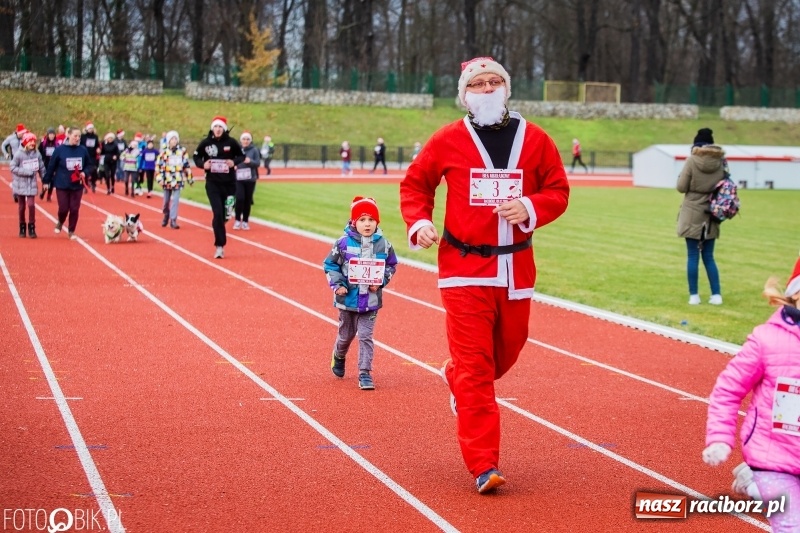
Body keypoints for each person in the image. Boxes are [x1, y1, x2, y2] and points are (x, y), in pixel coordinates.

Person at [399, 56, 570, 494]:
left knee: (505, 354)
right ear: (465, 93)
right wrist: (419, 222)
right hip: (463, 270)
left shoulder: (536, 139)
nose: (488, 87)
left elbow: (557, 190)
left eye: (495, 81)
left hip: (516, 268)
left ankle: (456, 378)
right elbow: (416, 184)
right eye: (478, 83)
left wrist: (531, 207)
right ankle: (483, 464)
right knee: (476, 369)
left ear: (506, 89)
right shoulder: (448, 139)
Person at [703, 254, 800, 532]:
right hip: (774, 459)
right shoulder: (767, 340)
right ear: (794, 295)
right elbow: (728, 390)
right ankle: (758, 480)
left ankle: (752, 483)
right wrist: (719, 438)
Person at [323, 197, 398, 390]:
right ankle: (339, 355)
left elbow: (391, 265)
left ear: (377, 223)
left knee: (365, 336)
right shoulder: (342, 243)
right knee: (346, 336)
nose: (367, 224)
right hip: (347, 299)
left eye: (371, 220)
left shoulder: (384, 245)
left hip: (371, 301)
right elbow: (330, 264)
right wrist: (338, 284)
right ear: (354, 222)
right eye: (363, 220)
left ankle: (365, 373)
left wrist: (380, 282)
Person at [677, 127, 724, 306]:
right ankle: (716, 295)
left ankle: (694, 296)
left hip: (692, 211)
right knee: (709, 256)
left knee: (692, 255)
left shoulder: (692, 161)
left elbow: (681, 187)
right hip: (712, 212)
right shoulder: (721, 162)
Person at [193, 116, 245, 259]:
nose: (217, 129)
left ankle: (221, 221)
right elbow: (196, 157)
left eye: (220, 127)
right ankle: (219, 246)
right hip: (212, 184)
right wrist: (203, 165)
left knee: (225, 215)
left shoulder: (231, 142)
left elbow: (241, 156)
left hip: (229, 184)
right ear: (212, 128)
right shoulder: (205, 143)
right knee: (217, 214)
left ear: (224, 129)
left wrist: (233, 162)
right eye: (215, 127)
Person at [43, 126, 95, 240]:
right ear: (69, 135)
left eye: (79, 136)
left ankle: (71, 231)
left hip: (77, 185)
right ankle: (60, 221)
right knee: (63, 208)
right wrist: (46, 181)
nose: (77, 138)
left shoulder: (83, 150)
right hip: (62, 184)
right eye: (75, 136)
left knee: (74, 209)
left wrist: (85, 173)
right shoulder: (59, 150)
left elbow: (90, 165)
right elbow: (51, 166)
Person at [11, 132, 45, 238]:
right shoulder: (19, 154)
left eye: (34, 141)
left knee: (31, 205)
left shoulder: (37, 153)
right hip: (20, 184)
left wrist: (45, 180)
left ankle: (32, 226)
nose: (32, 143)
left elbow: (42, 168)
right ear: (25, 142)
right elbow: (12, 167)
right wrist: (26, 172)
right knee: (21, 207)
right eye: (30, 141)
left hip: (32, 184)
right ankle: (22, 226)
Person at [156, 130, 192, 229]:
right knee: (166, 202)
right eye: (172, 139)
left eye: (176, 138)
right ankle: (166, 214)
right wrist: (160, 178)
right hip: (167, 179)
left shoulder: (182, 151)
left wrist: (190, 178)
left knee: (175, 201)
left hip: (178, 179)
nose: (174, 140)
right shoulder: (164, 152)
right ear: (168, 140)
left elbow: (186, 165)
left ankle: (173, 220)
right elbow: (159, 166)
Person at [233, 131, 260, 230]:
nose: (246, 141)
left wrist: (250, 161)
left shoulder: (254, 150)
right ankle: (236, 220)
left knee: (247, 201)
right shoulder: (236, 150)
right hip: (239, 178)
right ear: (241, 140)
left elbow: (257, 163)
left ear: (251, 141)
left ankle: (245, 221)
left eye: (248, 139)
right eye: (244, 139)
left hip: (250, 179)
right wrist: (234, 166)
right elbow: (232, 161)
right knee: (240, 198)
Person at [38, 128, 59, 201]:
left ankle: (49, 195)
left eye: (53, 134)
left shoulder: (57, 144)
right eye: (50, 134)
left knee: (52, 181)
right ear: (47, 135)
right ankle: (43, 192)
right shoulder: (43, 144)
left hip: (53, 165)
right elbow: (38, 153)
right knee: (45, 180)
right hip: (45, 164)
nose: (52, 136)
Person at [79, 122, 101, 192]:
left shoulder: (95, 136)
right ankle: (85, 185)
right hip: (85, 155)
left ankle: (93, 183)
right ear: (87, 129)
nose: (90, 130)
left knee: (94, 170)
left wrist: (98, 149)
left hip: (93, 156)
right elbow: (80, 144)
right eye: (89, 128)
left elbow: (97, 145)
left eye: (92, 128)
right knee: (85, 170)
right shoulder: (83, 136)